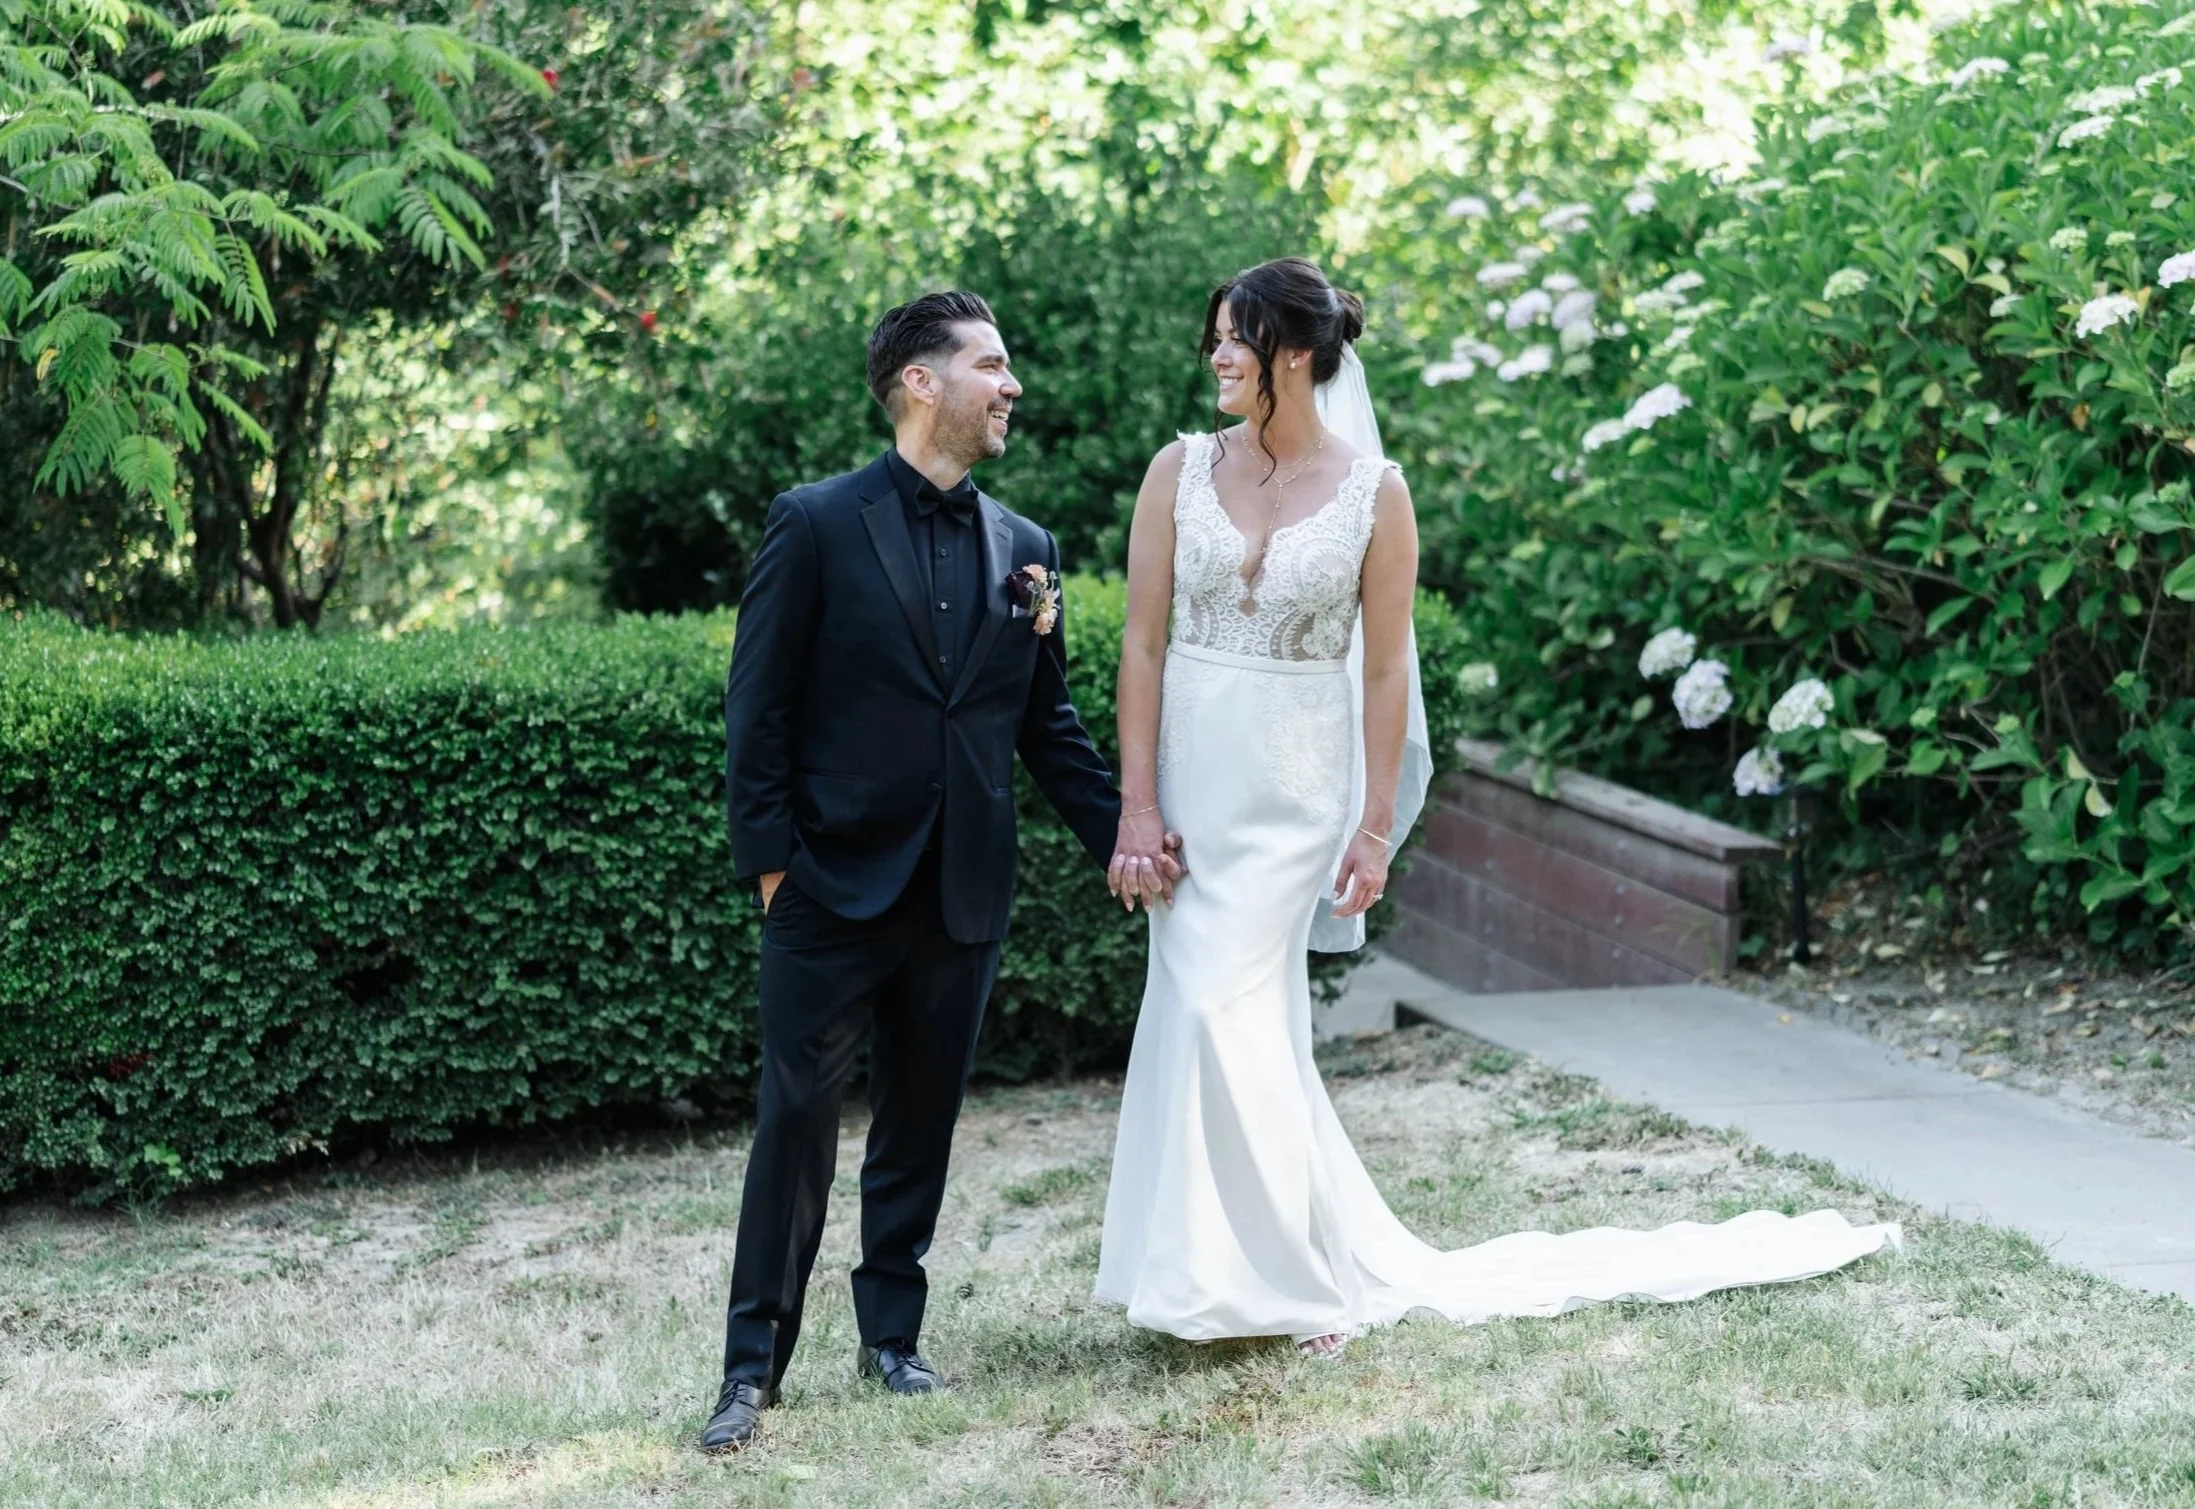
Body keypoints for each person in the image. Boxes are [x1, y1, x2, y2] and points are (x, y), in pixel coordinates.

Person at [1094, 257, 1898, 1357]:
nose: (1218, 356)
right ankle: (1228, 1267)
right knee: (1213, 1010)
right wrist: (1136, 806)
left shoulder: (1374, 493)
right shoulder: (1177, 470)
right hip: (1193, 779)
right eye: (1217, 337)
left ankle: (1285, 1282)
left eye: (1237, 337)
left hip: (1291, 794)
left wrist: (1374, 825)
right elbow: (1141, 644)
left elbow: (1388, 670)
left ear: (1296, 351)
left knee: (1222, 1006)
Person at [706, 290, 1181, 1451]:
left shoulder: (1029, 550)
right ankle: (751, 1369)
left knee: (919, 1126)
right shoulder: (813, 523)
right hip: (828, 887)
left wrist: (1130, 834)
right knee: (796, 1123)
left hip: (962, 890)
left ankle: (892, 1341)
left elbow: (1045, 727)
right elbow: (757, 712)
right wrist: (773, 872)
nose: (1011, 386)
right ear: (920, 382)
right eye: (990, 365)